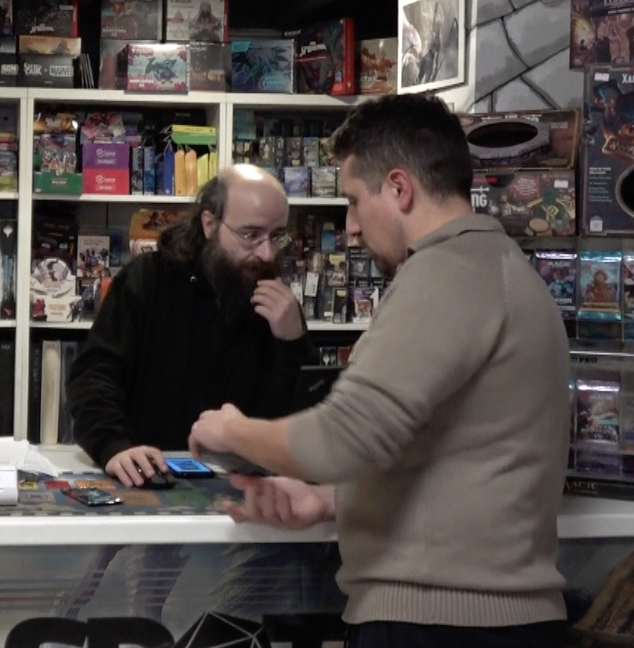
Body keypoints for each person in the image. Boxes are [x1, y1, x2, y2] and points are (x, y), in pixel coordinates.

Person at [188, 93, 571, 648]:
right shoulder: (503, 270)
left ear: (398, 188)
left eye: (353, 201)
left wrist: (231, 432)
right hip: (484, 622)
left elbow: (344, 436)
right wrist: (331, 502)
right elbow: (458, 458)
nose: (350, 227)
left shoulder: (445, 275)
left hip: (440, 626)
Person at [66, 164, 316, 488]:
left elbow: (309, 427)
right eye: (250, 235)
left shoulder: (279, 304)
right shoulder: (148, 279)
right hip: (148, 476)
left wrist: (293, 344)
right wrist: (113, 446)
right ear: (210, 224)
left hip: (247, 487)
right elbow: (94, 375)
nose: (267, 253)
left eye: (277, 236)